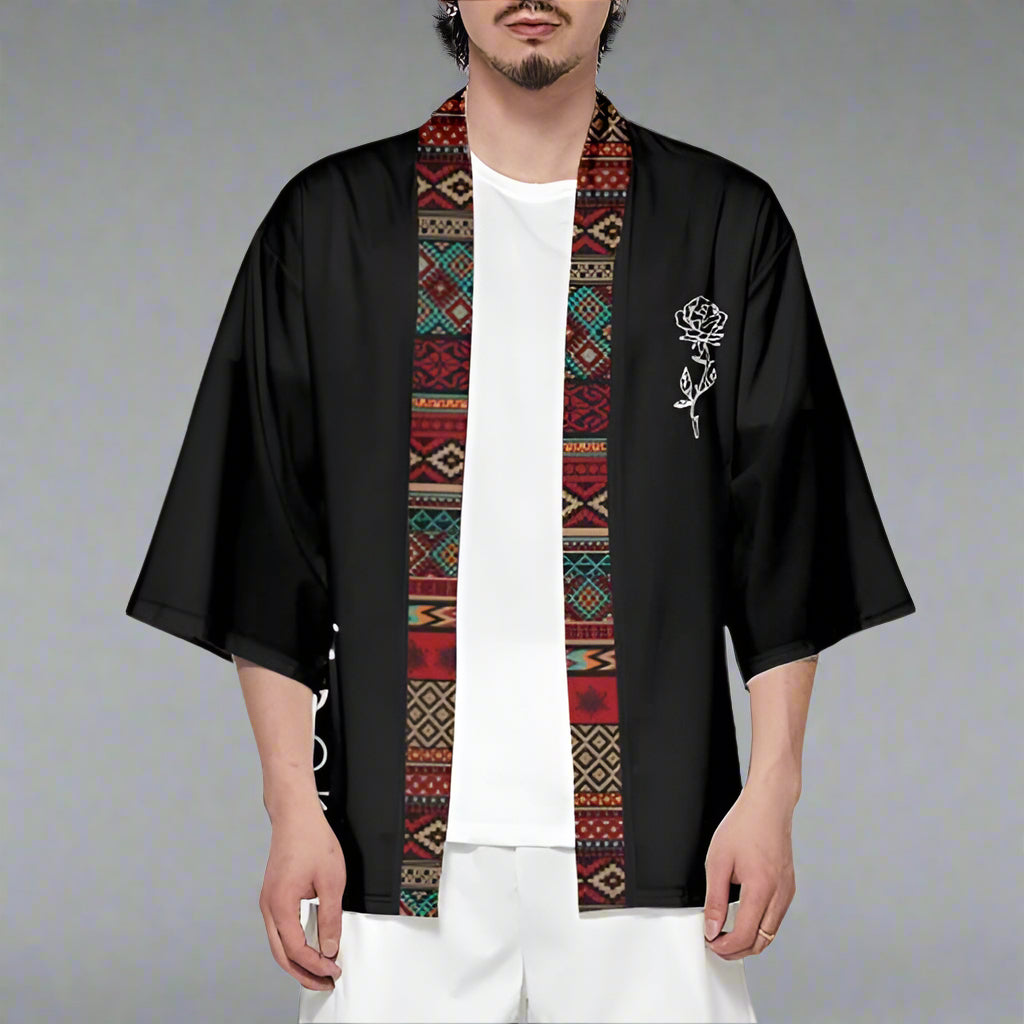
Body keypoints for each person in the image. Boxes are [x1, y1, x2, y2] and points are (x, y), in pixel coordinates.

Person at [125, 2, 917, 1021]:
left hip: (656, 831)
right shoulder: (330, 225)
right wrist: (291, 808)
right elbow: (269, 541)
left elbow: (786, 537)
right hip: (394, 841)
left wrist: (770, 794)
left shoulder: (721, 224)